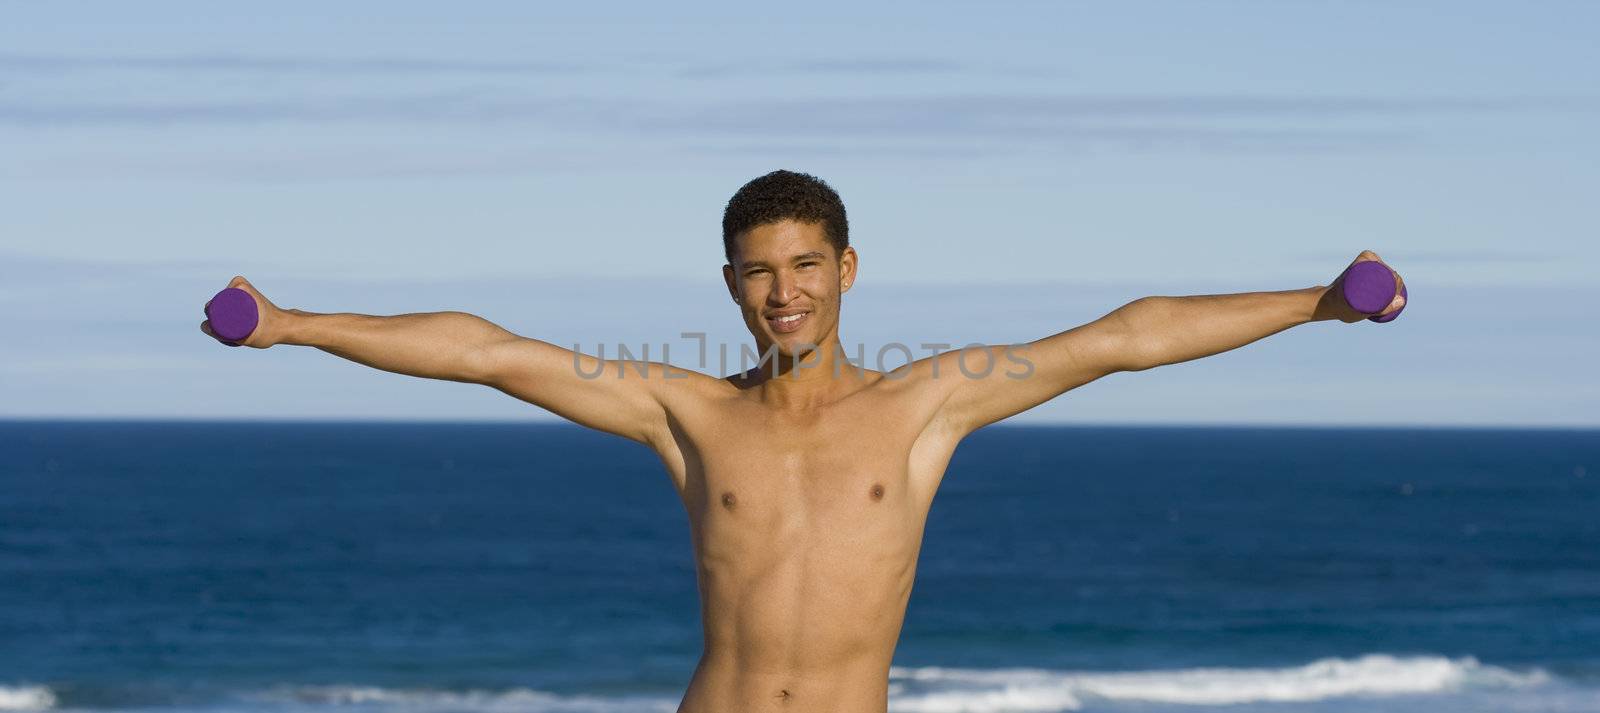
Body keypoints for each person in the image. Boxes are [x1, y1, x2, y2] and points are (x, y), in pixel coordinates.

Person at [201, 170, 1405, 712]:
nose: (784, 292)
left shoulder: (929, 403)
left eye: (806, 267)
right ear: (729, 284)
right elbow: (486, 350)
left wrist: (1318, 300)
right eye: (760, 272)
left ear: (846, 271)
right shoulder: (685, 412)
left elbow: (1122, 337)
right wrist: (293, 325)